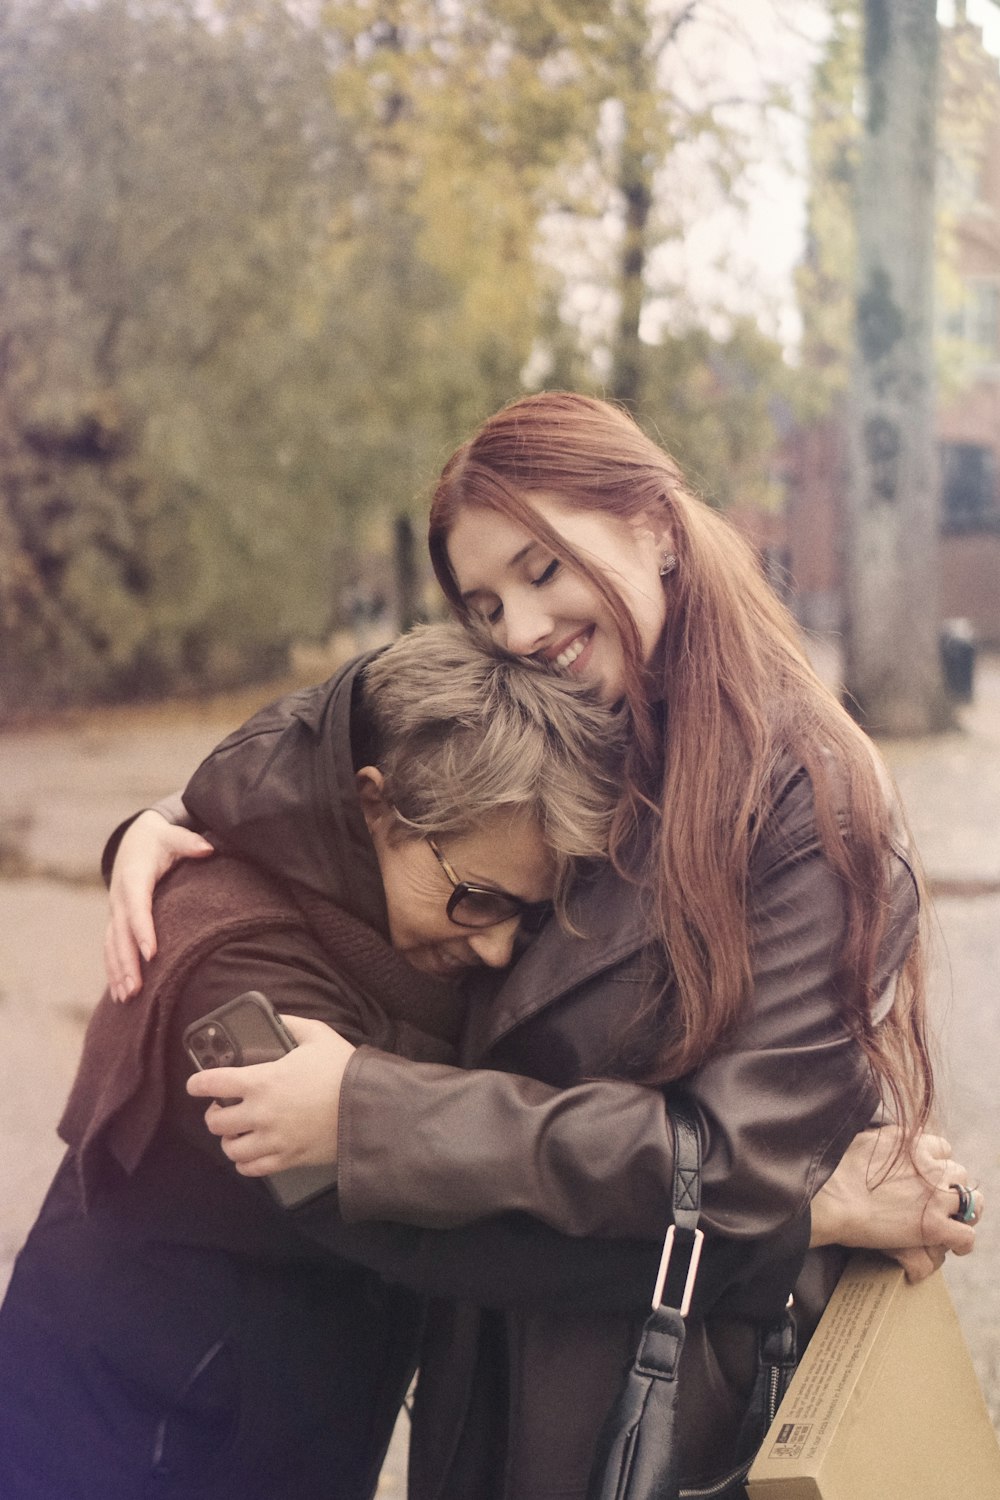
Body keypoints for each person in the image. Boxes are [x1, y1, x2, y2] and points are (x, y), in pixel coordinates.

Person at [101, 393, 981, 1500]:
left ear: (656, 529)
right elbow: (338, 741)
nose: (517, 628)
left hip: (670, 1390)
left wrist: (369, 1111)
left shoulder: (802, 800)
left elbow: (737, 1166)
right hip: (488, 1366)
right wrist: (168, 820)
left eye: (540, 568)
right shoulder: (566, 728)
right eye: (482, 602)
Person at [0, 622, 651, 1500]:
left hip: (261, 1431)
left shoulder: (377, 913)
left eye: (525, 917)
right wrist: (752, 1231)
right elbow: (439, 1227)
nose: (498, 952)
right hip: (131, 1447)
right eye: (477, 900)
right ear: (372, 805)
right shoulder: (235, 980)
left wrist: (162, 812)